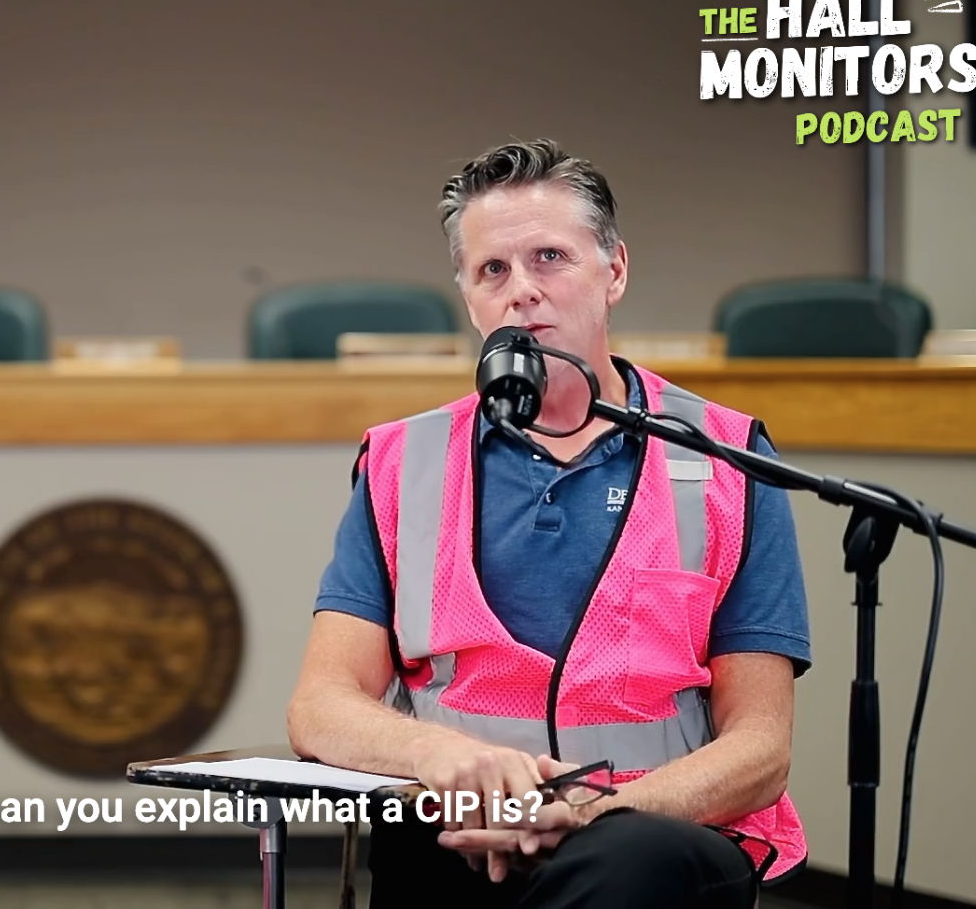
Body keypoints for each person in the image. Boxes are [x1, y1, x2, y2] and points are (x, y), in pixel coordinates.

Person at [286, 141, 811, 908]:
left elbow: (761, 749)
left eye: (551, 257)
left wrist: (591, 817)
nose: (522, 291)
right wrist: (440, 756)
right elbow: (320, 707)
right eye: (493, 270)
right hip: (459, 835)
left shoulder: (726, 456)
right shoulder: (405, 460)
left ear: (615, 271)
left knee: (622, 866)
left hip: (651, 833)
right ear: (467, 295)